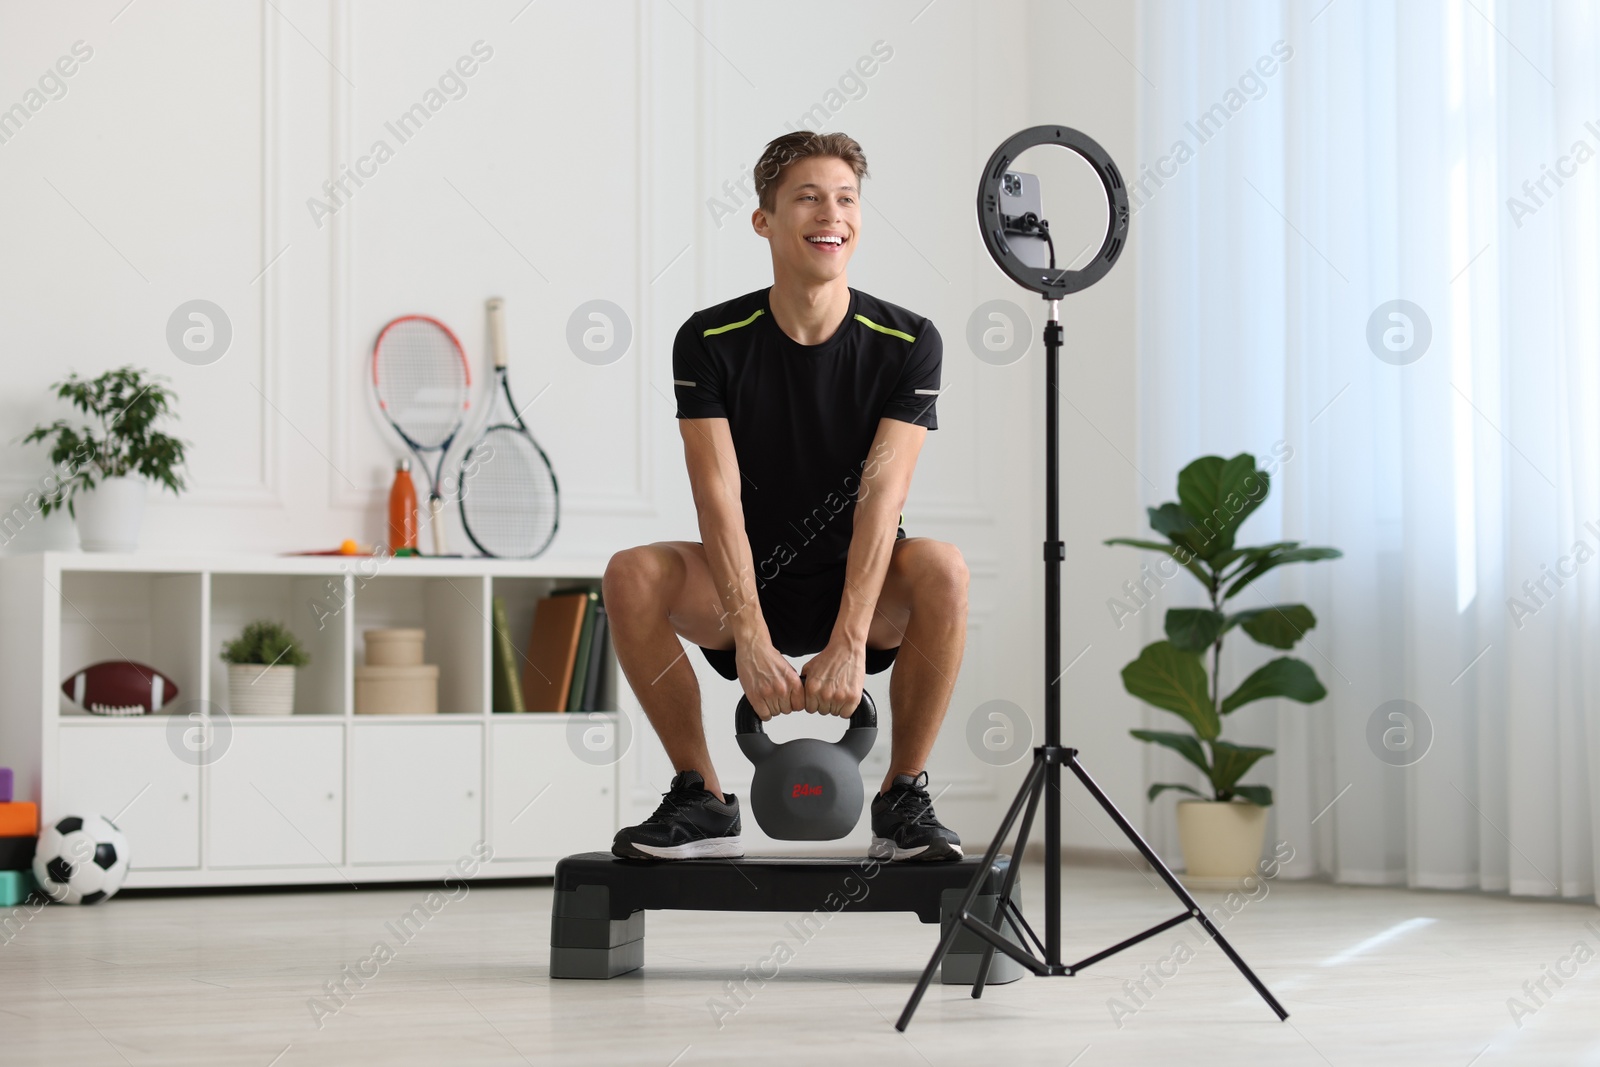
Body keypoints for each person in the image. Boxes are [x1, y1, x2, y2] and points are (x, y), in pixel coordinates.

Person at [604, 130, 968, 862]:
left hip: (860, 582)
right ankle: (701, 794)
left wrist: (849, 640)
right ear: (764, 220)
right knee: (630, 572)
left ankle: (904, 797)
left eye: (845, 198)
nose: (830, 213)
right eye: (807, 197)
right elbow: (717, 495)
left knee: (943, 567)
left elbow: (882, 495)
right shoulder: (709, 338)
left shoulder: (909, 341)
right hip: (745, 581)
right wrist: (749, 634)